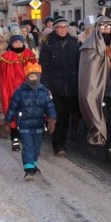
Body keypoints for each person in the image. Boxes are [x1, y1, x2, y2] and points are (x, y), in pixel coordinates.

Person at [78, 16, 111, 163]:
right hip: (96, 91)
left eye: (108, 28)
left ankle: (110, 148)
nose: (106, 31)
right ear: (97, 29)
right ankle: (95, 138)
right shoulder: (88, 48)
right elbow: (87, 72)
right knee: (97, 117)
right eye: (103, 28)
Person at [5, 62, 56, 181]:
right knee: (28, 146)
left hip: (39, 124)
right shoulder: (20, 91)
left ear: (39, 76)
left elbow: (50, 106)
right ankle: (28, 170)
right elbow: (12, 107)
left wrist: (52, 119)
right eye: (31, 76)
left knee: (37, 147)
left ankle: (33, 164)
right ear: (27, 77)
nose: (33, 79)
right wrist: (7, 121)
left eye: (35, 76)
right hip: (24, 125)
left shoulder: (44, 92)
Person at [39, 16, 80, 155]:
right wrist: (46, 85)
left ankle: (63, 141)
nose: (62, 30)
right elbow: (43, 67)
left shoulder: (74, 43)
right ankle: (58, 144)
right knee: (57, 115)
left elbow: (78, 64)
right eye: (59, 27)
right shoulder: (48, 44)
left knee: (67, 115)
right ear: (55, 29)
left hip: (71, 85)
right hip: (55, 86)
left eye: (65, 27)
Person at [0, 30, 37, 151]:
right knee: (13, 114)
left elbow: (35, 72)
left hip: (28, 89)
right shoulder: (6, 56)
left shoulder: (29, 54)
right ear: (11, 43)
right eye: (15, 42)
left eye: (20, 42)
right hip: (12, 89)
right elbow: (3, 75)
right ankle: (14, 138)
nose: (18, 44)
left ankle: (25, 138)